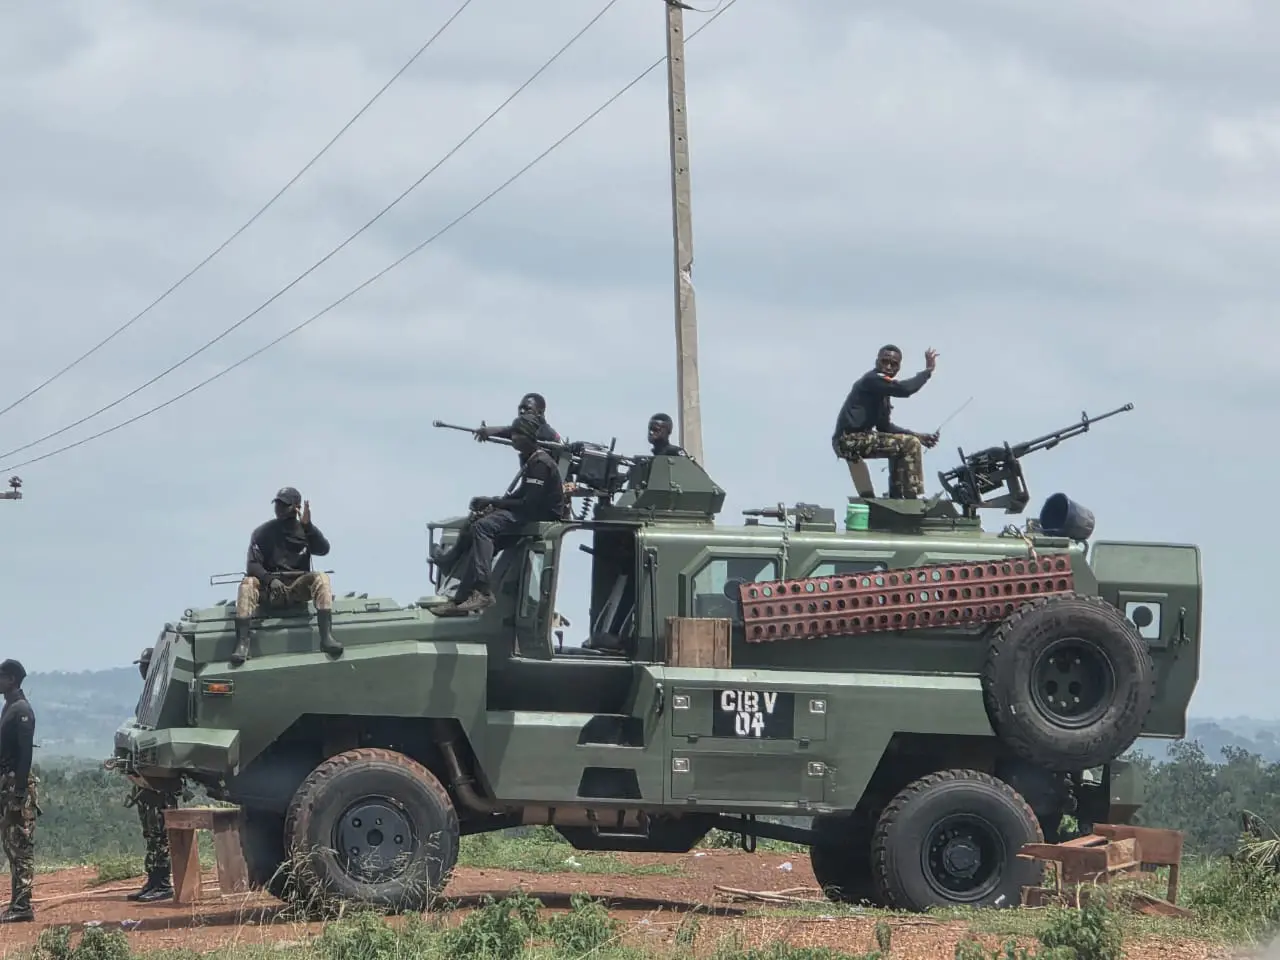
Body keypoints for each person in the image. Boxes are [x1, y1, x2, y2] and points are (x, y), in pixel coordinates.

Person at [438, 414, 568, 616]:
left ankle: (483, 591)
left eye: (519, 434)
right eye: (513, 434)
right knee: (478, 532)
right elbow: (521, 495)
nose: (514, 438)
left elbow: (529, 503)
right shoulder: (531, 459)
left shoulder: (541, 464)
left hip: (540, 516)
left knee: (484, 527)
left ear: (529, 437)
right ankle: (460, 600)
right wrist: (493, 503)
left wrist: (494, 502)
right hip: (530, 511)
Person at [233, 486, 342, 666]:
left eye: (284, 505)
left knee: (322, 578)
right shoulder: (263, 532)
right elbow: (252, 565)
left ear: (296, 507)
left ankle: (327, 638)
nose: (279, 509)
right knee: (247, 582)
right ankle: (242, 644)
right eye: (277, 504)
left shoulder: (305, 531)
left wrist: (308, 527)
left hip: (296, 589)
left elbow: (324, 549)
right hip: (270, 590)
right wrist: (270, 580)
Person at [832, 345, 940, 499]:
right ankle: (911, 498)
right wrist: (927, 372)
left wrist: (919, 436)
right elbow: (904, 389)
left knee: (903, 444)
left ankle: (897, 496)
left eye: (893, 364)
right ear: (877, 362)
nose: (888, 366)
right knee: (910, 444)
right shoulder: (872, 380)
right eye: (885, 361)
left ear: (899, 367)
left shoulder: (882, 393)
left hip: (855, 441)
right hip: (849, 440)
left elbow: (884, 427)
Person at [124, 648, 176, 903]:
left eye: (145, 665)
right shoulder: (150, 695)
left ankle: (163, 883)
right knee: (151, 833)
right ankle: (154, 880)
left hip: (159, 779)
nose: (141, 669)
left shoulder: (163, 695)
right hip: (146, 778)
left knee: (160, 833)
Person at [0, 659, 37, 924]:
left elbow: (25, 755)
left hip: (17, 786)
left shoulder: (21, 709)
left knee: (20, 844)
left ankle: (23, 904)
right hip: (8, 784)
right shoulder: (10, 707)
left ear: (12, 679)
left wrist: (20, 792)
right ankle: (17, 901)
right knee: (11, 844)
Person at [473, 393, 561, 444]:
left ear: (540, 413)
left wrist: (491, 431)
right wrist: (488, 431)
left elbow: (518, 431)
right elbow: (515, 431)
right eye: (521, 408)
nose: (522, 412)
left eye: (528, 409)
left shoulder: (547, 433)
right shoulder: (525, 431)